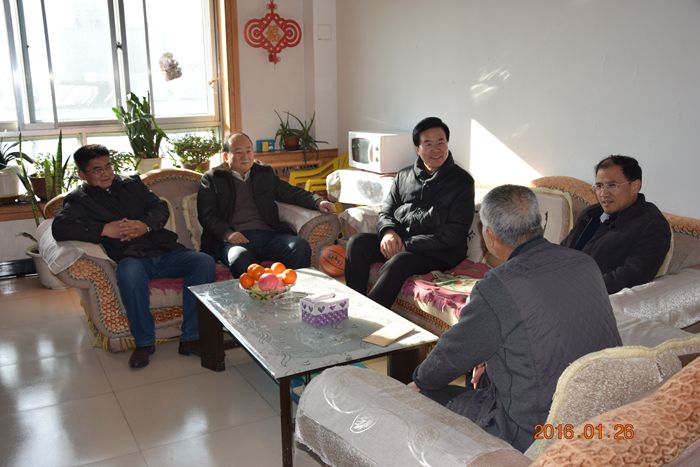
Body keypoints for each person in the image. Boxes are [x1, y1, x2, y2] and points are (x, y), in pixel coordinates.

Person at [409, 185, 622, 452]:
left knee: (426, 393)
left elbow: (451, 355)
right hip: (602, 412)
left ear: (490, 235)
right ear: (538, 222)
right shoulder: (584, 263)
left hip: (539, 431)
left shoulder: (498, 286)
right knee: (483, 375)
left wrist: (418, 381)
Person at [52, 144, 216, 369]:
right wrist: (104, 229)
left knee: (203, 262)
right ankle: (144, 343)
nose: (106, 173)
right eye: (97, 170)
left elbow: (159, 207)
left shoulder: (131, 184)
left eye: (108, 166)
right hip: (131, 257)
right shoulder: (79, 200)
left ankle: (191, 337)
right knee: (129, 273)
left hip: (164, 250)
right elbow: (59, 228)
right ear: (82, 174)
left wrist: (144, 225)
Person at [344, 117, 475, 308]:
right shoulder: (404, 175)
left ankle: (371, 315)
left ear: (447, 144)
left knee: (399, 261)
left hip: (440, 252)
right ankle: (354, 305)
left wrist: (407, 245)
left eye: (441, 142)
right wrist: (388, 232)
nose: (436, 149)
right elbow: (386, 211)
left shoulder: (462, 182)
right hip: (403, 242)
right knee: (357, 243)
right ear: (417, 148)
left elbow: (454, 232)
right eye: (428, 144)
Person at [197, 132, 336, 277]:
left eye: (249, 151)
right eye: (238, 152)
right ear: (226, 157)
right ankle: (252, 293)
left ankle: (295, 290)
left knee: (299, 246)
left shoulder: (263, 173)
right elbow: (207, 216)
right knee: (240, 257)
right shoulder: (213, 178)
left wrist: (317, 201)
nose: (245, 157)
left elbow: (289, 191)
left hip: (267, 234)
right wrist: (228, 234)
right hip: (232, 239)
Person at [561, 155, 671, 294]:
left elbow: (632, 276)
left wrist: (579, 288)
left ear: (635, 186)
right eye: (599, 186)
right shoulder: (591, 214)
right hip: (560, 284)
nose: (603, 194)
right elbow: (562, 251)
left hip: (590, 295)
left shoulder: (652, 224)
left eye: (612, 185)